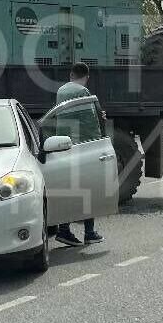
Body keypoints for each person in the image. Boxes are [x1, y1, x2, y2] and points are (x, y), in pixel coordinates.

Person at [53, 62, 104, 247]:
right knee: (88, 190)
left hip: (63, 147)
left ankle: (64, 230)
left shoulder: (61, 90)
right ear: (87, 77)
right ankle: (89, 233)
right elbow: (91, 122)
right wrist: (99, 142)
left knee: (69, 190)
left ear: (70, 75)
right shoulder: (83, 92)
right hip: (81, 148)